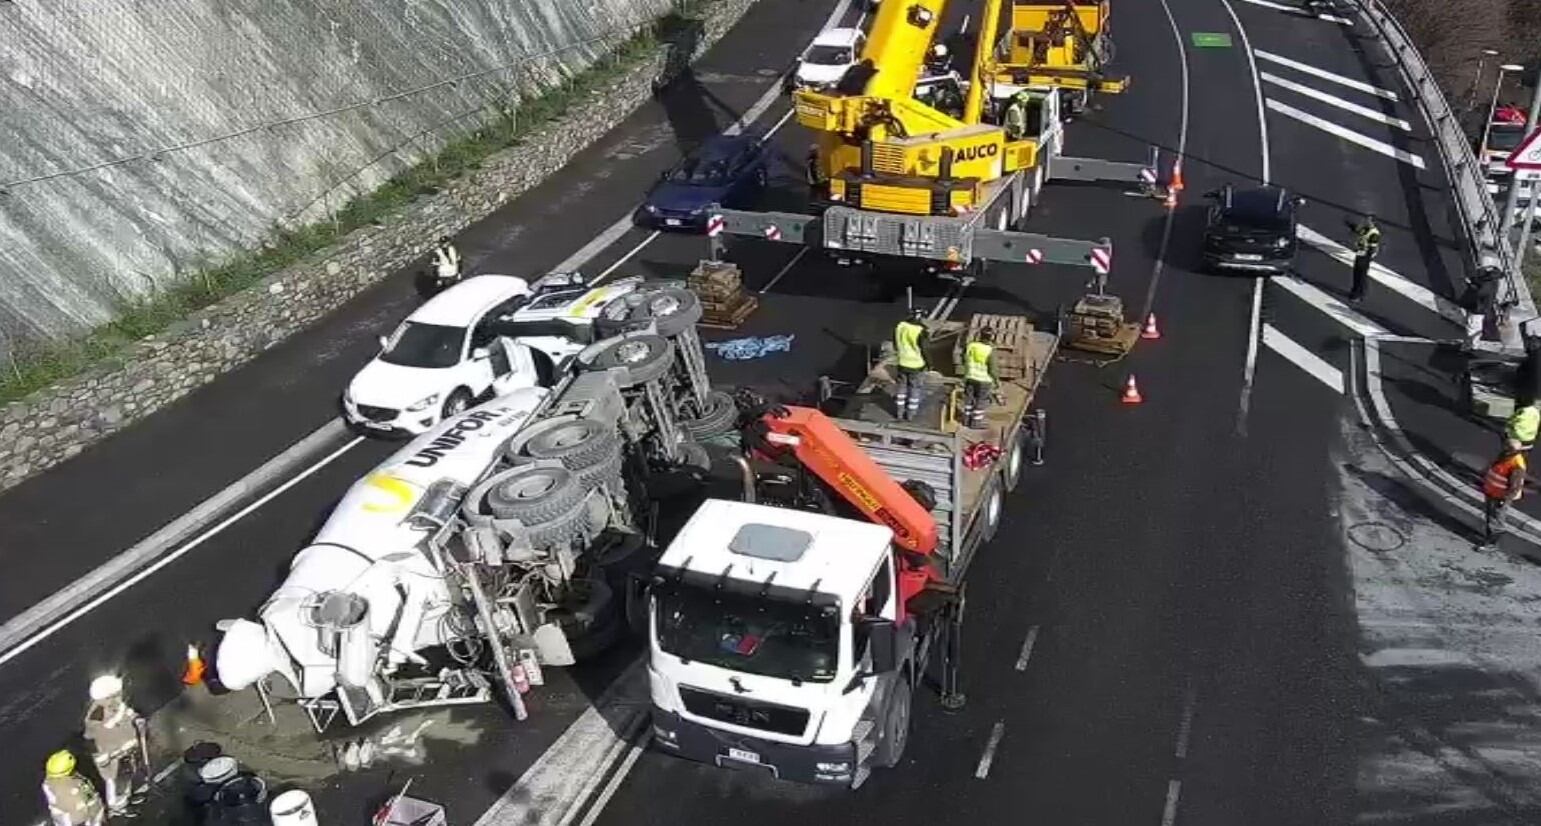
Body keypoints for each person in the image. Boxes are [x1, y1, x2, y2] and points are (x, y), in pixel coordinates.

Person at [82, 675, 147, 816]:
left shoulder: (116, 704)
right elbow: (98, 749)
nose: (119, 696)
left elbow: (126, 711)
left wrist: (136, 718)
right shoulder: (96, 721)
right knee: (116, 784)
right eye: (116, 694)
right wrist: (113, 757)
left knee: (126, 778)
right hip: (114, 761)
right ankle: (118, 806)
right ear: (106, 698)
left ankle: (127, 797)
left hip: (126, 754)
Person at [1481, 443, 1528, 549]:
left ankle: (1492, 544)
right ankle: (1488, 539)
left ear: (1515, 450)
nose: (1505, 447)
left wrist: (1504, 499)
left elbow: (1515, 486)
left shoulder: (1516, 464)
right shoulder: (1505, 455)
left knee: (1496, 519)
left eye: (1508, 447)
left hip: (1500, 496)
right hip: (1492, 492)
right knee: (1491, 516)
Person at [42, 750, 105, 826]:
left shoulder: (47, 783)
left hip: (61, 818)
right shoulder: (77, 784)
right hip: (79, 819)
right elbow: (91, 802)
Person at [893, 308, 929, 421]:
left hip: (902, 362)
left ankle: (899, 413)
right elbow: (925, 349)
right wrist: (929, 364)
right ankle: (910, 415)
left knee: (901, 388)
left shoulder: (900, 326)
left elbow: (895, 342)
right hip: (916, 365)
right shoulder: (920, 330)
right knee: (914, 389)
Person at [962, 327, 997, 429]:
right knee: (980, 400)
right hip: (984, 380)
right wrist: (997, 381)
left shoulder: (971, 346)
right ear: (991, 337)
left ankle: (965, 420)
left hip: (970, 377)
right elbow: (993, 369)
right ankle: (975, 423)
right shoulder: (990, 350)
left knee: (969, 399)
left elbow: (964, 358)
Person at [1460, 265, 1501, 350]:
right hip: (1483, 308)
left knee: (1473, 327)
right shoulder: (1494, 282)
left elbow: (1477, 294)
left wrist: (1470, 285)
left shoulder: (1486, 287)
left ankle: (1471, 346)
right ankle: (1473, 344)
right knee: (1474, 326)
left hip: (1478, 309)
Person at [1348, 215, 1381, 302]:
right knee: (1356, 273)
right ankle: (1354, 291)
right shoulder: (1366, 229)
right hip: (1360, 254)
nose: (1366, 221)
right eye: (1366, 220)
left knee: (1361, 275)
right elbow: (1358, 231)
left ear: (1373, 223)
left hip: (1365, 256)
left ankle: (1359, 294)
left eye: (1368, 221)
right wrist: (1351, 225)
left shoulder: (1374, 234)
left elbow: (1372, 248)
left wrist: (1366, 256)